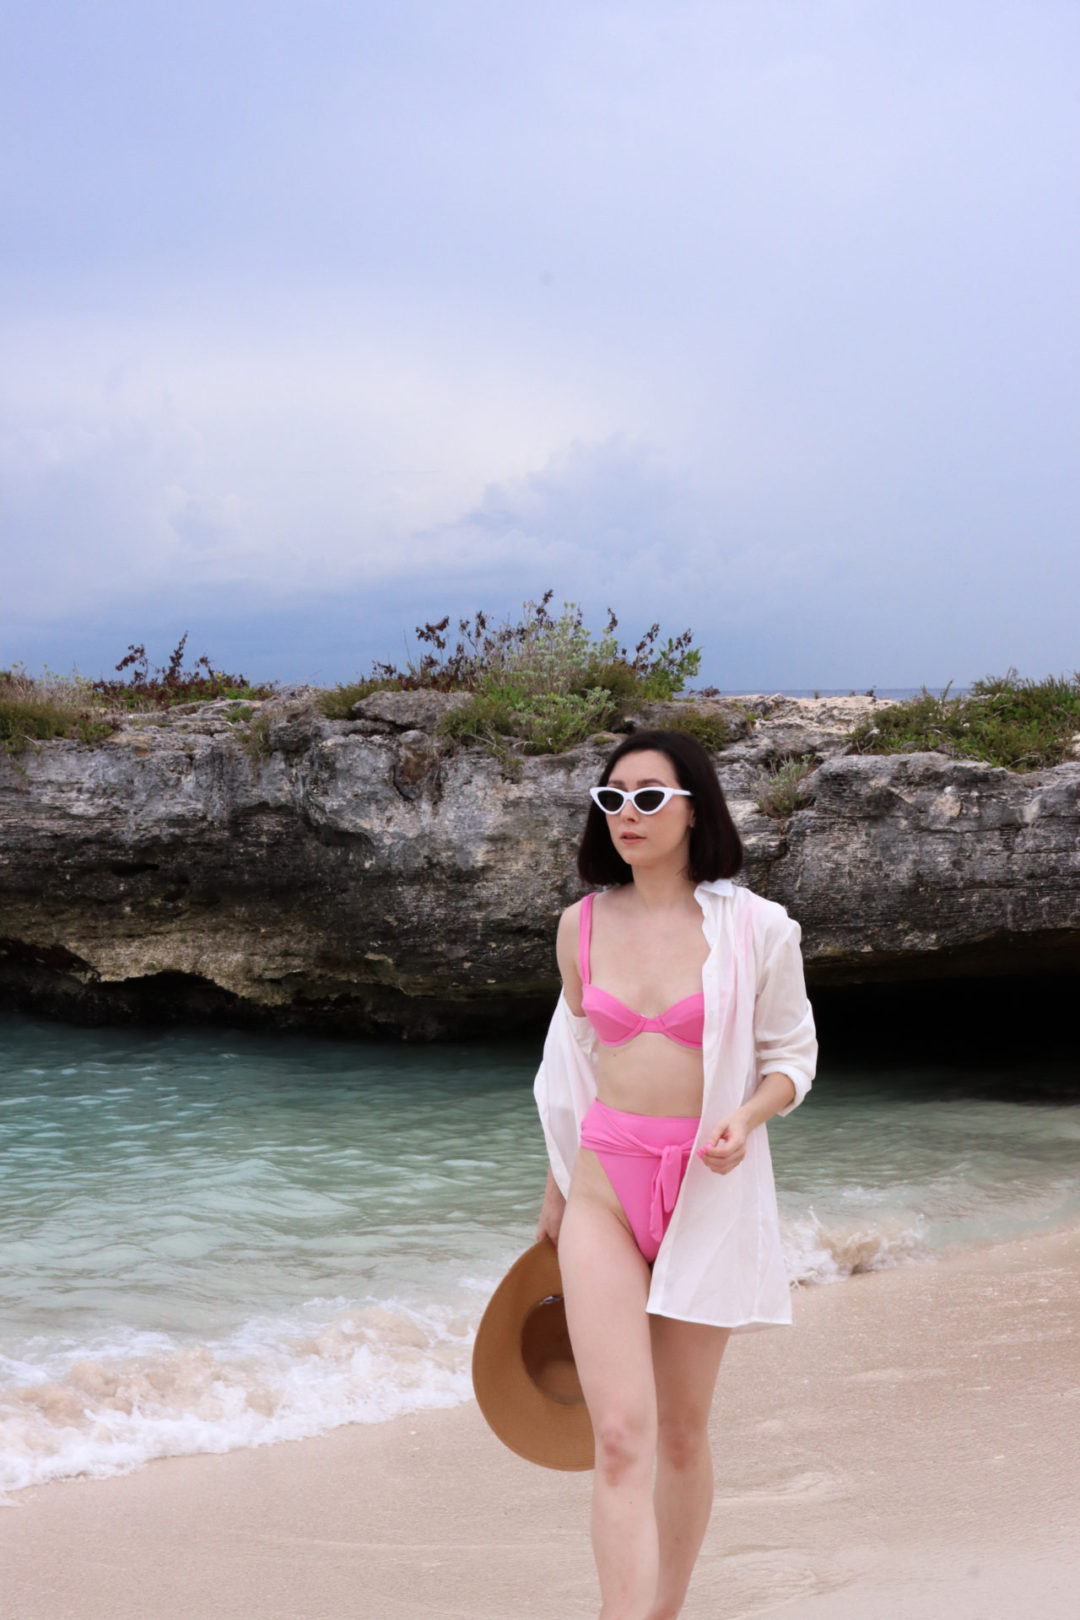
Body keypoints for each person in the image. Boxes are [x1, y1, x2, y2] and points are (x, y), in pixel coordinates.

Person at [533, 728, 817, 1620]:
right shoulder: (578, 927)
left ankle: (664, 1611)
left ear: (695, 809)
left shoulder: (759, 928)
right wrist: (555, 1183)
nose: (628, 813)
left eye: (649, 797)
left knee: (683, 1433)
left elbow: (794, 1058)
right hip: (604, 1192)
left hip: (708, 1192)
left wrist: (748, 1115)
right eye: (612, 798)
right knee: (621, 1434)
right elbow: (571, 1062)